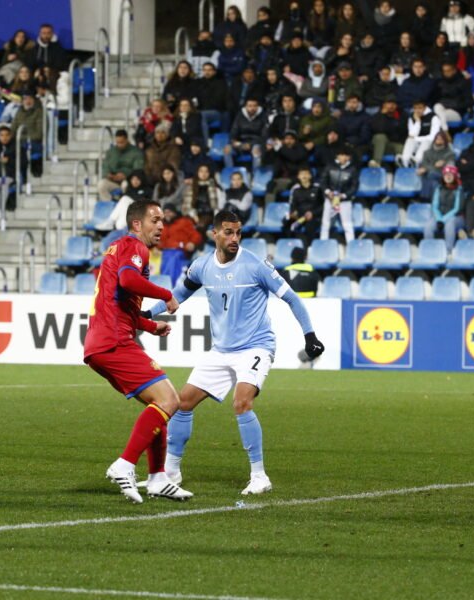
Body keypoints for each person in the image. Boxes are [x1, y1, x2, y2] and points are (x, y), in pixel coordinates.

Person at [143, 209, 323, 495]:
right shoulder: (202, 266)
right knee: (182, 403)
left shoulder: (256, 265)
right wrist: (144, 316)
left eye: (238, 232)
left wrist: (309, 334)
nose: (234, 238)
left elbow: (291, 298)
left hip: (255, 346)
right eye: (228, 232)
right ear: (215, 234)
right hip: (221, 350)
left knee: (241, 402)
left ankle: (259, 476)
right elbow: (176, 296)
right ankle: (172, 472)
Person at [83, 200, 191, 503]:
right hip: (114, 341)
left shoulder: (116, 248)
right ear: (136, 224)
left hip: (102, 342)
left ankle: (157, 477)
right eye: (155, 220)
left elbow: (119, 301)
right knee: (171, 399)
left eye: (162, 221)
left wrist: (149, 325)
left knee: (159, 404)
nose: (161, 226)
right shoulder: (135, 247)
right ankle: (125, 463)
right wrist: (166, 294)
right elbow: (129, 280)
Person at [320, 145, 359, 242]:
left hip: (344, 201)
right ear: (337, 156)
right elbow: (323, 181)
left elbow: (354, 186)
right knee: (326, 224)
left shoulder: (353, 169)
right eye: (341, 155)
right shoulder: (329, 166)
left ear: (349, 157)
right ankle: (323, 245)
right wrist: (328, 192)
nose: (343, 157)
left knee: (347, 225)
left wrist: (344, 195)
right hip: (330, 200)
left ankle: (351, 246)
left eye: (346, 155)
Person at [425, 165, 466, 248]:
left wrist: (443, 220)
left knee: (449, 224)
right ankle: (429, 249)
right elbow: (435, 206)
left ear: (454, 176)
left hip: (456, 217)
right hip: (439, 216)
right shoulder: (438, 189)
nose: (448, 176)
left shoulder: (459, 190)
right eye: (446, 174)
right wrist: (439, 219)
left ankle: (448, 250)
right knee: (428, 226)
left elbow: (457, 208)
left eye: (450, 174)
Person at [98, 129, 144, 199]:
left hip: (127, 181)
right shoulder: (111, 152)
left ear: (127, 140)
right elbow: (105, 166)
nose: (119, 145)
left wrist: (125, 175)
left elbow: (138, 169)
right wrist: (108, 174)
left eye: (122, 142)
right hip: (112, 180)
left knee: (125, 186)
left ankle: (123, 205)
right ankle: (109, 205)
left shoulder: (136, 152)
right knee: (101, 185)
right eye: (117, 142)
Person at [400, 99, 441, 167]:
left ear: (425, 108)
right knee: (409, 140)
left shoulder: (433, 117)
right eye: (415, 108)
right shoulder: (412, 117)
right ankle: (405, 161)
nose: (417, 110)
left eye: (420, 108)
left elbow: (433, 137)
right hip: (418, 144)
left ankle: (417, 161)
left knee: (426, 141)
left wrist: (417, 138)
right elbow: (411, 135)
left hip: (430, 144)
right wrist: (418, 121)